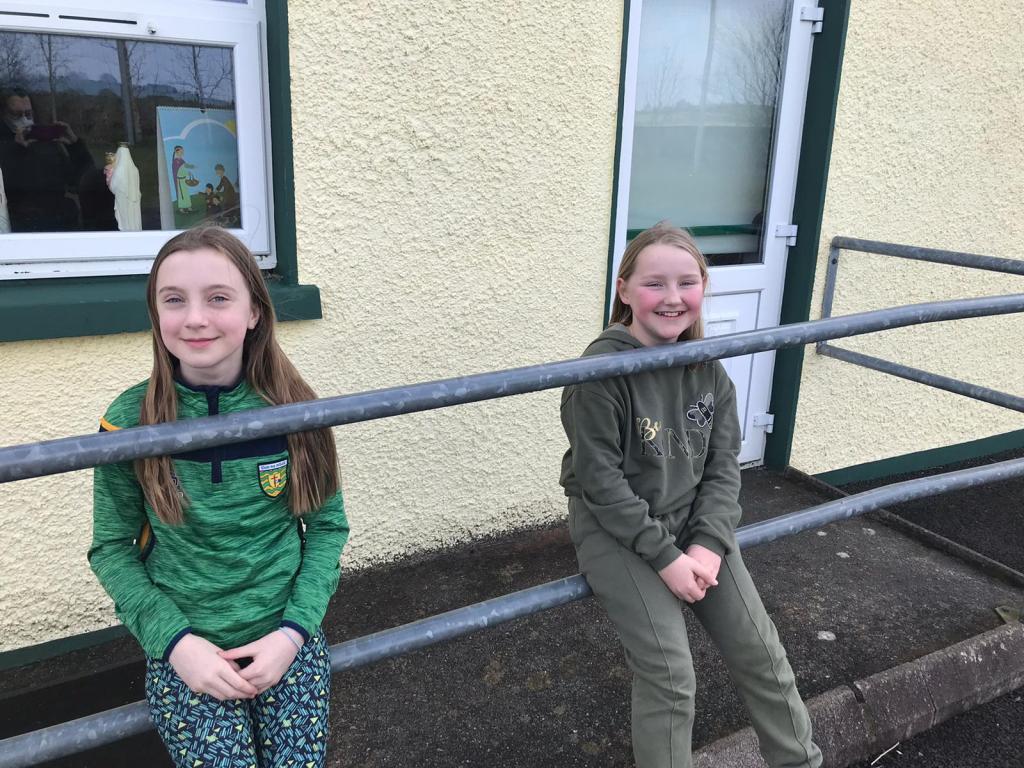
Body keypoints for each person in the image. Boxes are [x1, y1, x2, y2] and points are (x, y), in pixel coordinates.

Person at [559, 221, 821, 768]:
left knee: (762, 653)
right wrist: (666, 557)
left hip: (693, 525)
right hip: (617, 530)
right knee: (671, 675)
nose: (672, 297)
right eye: (654, 283)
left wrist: (708, 541)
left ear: (703, 288)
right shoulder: (599, 374)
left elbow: (724, 467)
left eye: (687, 282)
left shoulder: (709, 371)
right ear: (624, 289)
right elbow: (601, 483)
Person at [89, 226, 349, 767]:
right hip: (187, 655)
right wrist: (176, 645)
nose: (195, 318)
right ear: (155, 312)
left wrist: (294, 633)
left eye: (218, 298)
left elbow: (326, 527)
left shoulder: (297, 410)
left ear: (255, 311)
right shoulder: (128, 422)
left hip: (287, 642)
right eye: (174, 300)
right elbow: (111, 548)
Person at [0, 86, 94, 231]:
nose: (24, 120)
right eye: (16, 115)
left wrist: (75, 146)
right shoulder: (5, 148)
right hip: (18, 230)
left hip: (60, 226)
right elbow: (6, 187)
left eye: (28, 114)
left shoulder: (48, 146)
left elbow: (83, 182)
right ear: (4, 116)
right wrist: (16, 149)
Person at [171, 145, 195, 213]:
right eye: (181, 151)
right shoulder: (176, 161)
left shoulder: (182, 160)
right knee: (181, 195)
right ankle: (181, 208)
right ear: (177, 152)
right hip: (180, 181)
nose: (182, 153)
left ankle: (188, 206)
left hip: (184, 180)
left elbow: (185, 167)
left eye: (182, 151)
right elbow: (178, 171)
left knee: (186, 194)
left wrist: (188, 172)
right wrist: (186, 171)